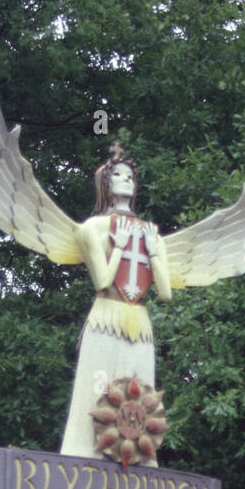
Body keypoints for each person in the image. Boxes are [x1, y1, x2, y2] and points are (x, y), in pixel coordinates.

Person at [60, 146, 170, 459]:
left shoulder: (151, 234)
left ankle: (140, 466)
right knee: (97, 390)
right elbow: (103, 282)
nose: (126, 181)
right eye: (118, 175)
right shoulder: (92, 228)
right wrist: (120, 247)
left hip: (140, 322)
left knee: (142, 394)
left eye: (131, 176)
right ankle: (83, 459)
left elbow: (165, 292)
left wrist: (154, 252)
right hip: (106, 316)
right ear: (105, 184)